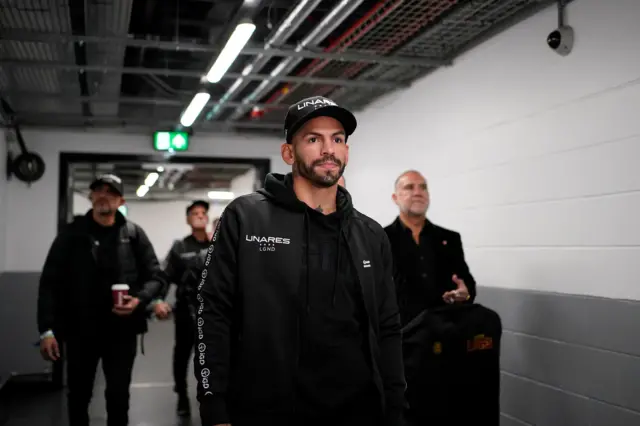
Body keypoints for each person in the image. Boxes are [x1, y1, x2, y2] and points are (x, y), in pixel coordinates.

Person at [195, 96, 406, 426]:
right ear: (288, 153)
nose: (328, 149)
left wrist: (395, 405)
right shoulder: (245, 217)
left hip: (357, 409)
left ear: (347, 152)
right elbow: (214, 310)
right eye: (313, 138)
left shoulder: (370, 235)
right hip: (268, 408)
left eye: (337, 139)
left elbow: (388, 327)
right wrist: (213, 401)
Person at [37, 174, 167, 426]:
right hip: (80, 331)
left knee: (118, 395)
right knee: (79, 395)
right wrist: (46, 330)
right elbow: (49, 283)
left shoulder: (133, 235)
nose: (103, 196)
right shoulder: (71, 236)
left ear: (120, 201)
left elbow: (156, 277)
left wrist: (138, 300)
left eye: (110, 192)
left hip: (121, 331)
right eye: (98, 191)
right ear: (90, 197)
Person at [384, 170, 476, 327]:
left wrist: (464, 295)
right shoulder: (378, 241)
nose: (418, 192)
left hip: (445, 332)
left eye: (423, 187)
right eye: (409, 187)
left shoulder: (450, 239)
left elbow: (467, 284)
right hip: (399, 338)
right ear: (395, 198)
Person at [153, 200, 212, 417]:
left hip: (213, 313)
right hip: (187, 311)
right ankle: (182, 396)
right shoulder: (180, 247)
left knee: (211, 357)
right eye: (195, 213)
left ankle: (209, 397)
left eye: (203, 212)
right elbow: (164, 276)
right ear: (188, 219)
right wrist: (158, 300)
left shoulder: (218, 243)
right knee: (182, 355)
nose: (199, 215)